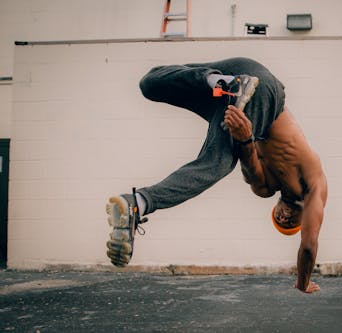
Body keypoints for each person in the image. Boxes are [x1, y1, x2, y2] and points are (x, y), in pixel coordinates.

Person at [105, 57, 328, 293]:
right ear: (302, 220)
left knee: (150, 84)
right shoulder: (314, 186)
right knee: (217, 163)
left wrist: (244, 138)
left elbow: (248, 156)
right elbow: (308, 245)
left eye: (279, 221)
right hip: (265, 95)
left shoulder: (266, 187)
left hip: (234, 87)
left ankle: (219, 81)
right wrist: (303, 282)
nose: (284, 219)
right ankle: (138, 203)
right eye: (290, 223)